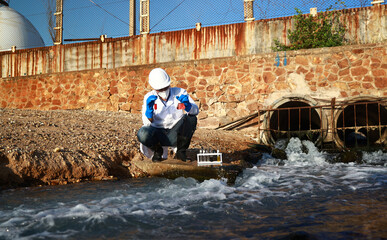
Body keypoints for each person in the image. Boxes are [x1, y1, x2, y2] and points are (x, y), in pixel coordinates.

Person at [137, 68, 199, 162]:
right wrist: (149, 110)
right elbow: (147, 124)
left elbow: (195, 112)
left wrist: (188, 106)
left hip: (176, 133)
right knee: (142, 133)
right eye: (160, 89)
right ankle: (157, 151)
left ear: (169, 84)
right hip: (158, 135)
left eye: (165, 88)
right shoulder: (149, 97)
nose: (163, 91)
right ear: (154, 88)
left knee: (191, 119)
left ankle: (181, 152)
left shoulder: (180, 92)